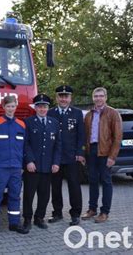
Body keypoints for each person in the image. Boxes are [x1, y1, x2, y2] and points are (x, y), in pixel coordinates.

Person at [0, 96, 30, 237]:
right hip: (0, 168)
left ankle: (14, 223)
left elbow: (24, 148)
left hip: (16, 168)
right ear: (3, 107)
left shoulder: (21, 125)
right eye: (8, 106)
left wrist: (23, 165)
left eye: (13, 106)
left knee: (15, 196)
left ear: (16, 107)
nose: (11, 108)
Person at [81, 87, 122, 223]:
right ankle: (92, 209)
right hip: (91, 151)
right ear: (93, 98)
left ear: (105, 97)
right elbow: (85, 135)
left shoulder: (113, 113)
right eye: (96, 96)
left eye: (101, 96)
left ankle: (104, 212)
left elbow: (117, 137)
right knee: (92, 181)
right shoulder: (88, 115)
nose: (98, 98)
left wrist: (112, 156)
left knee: (106, 182)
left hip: (105, 152)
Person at [47, 85, 86, 226]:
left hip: (72, 157)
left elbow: (81, 135)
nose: (63, 99)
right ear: (56, 97)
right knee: (55, 187)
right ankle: (57, 213)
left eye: (66, 96)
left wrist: (80, 152)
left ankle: (75, 214)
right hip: (55, 158)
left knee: (74, 187)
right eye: (60, 96)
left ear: (70, 98)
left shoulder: (76, 113)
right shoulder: (50, 113)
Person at [22, 93, 61, 230]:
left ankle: (39, 217)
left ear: (48, 108)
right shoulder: (28, 122)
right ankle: (27, 219)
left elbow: (57, 145)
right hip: (32, 166)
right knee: (29, 195)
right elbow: (25, 144)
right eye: (39, 106)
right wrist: (29, 161)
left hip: (48, 166)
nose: (42, 109)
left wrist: (56, 162)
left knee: (44, 195)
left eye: (45, 107)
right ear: (35, 108)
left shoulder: (54, 123)